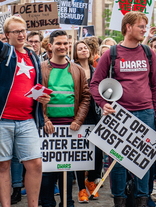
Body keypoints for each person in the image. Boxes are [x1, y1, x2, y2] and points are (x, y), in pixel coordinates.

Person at [90, 11, 156, 207]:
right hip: (118, 115)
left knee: (143, 161)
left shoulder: (148, 53)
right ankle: (120, 201)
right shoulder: (112, 53)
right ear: (128, 27)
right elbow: (95, 83)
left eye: (145, 26)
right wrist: (103, 104)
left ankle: (142, 199)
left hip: (146, 113)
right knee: (117, 162)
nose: (144, 30)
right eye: (141, 26)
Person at [0, 0, 50, 207]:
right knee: (2, 164)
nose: (21, 34)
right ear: (7, 35)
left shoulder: (33, 56)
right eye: (16, 31)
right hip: (0, 120)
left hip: (27, 120)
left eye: (23, 30)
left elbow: (35, 87)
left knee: (34, 163)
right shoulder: (1, 51)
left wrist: (42, 99)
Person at [40, 30, 91, 207]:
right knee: (47, 173)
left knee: (66, 172)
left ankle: (67, 203)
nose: (63, 47)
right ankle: (47, 203)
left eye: (65, 43)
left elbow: (85, 97)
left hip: (70, 129)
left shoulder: (77, 70)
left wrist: (78, 121)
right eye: (58, 43)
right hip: (47, 129)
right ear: (50, 46)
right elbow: (36, 98)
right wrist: (44, 119)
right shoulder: (40, 68)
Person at [73, 40, 103, 203]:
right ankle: (82, 189)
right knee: (80, 154)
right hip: (79, 117)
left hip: (95, 116)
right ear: (75, 53)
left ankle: (91, 180)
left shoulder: (96, 70)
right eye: (80, 48)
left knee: (97, 153)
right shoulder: (72, 70)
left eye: (85, 48)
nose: (84, 50)